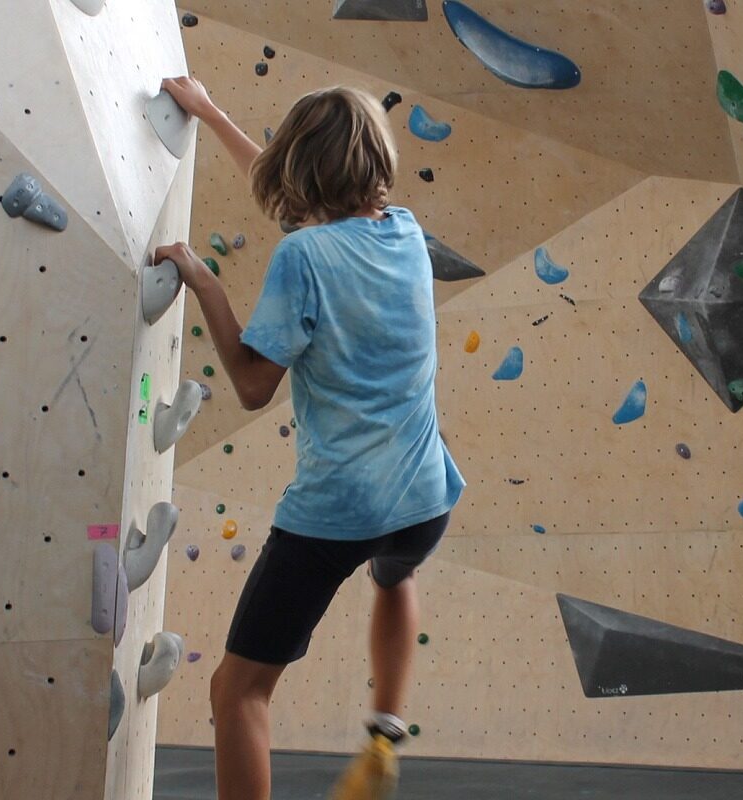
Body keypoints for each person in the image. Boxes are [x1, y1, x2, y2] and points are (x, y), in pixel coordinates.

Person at [152, 76, 466, 800]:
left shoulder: (301, 260)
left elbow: (256, 384)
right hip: (422, 499)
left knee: (239, 692)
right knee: (395, 573)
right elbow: (305, 214)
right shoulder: (407, 234)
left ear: (299, 169)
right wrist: (212, 108)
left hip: (337, 511)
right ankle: (386, 730)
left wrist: (207, 284)